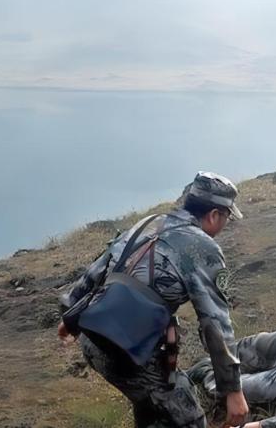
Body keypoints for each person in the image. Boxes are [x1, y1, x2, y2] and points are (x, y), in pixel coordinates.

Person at [57, 171, 249, 428]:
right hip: (127, 352)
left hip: (93, 338)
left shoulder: (149, 222)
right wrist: (233, 390)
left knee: (152, 408)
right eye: (227, 217)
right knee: (189, 419)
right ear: (214, 215)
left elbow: (98, 270)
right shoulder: (203, 248)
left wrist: (69, 315)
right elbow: (215, 323)